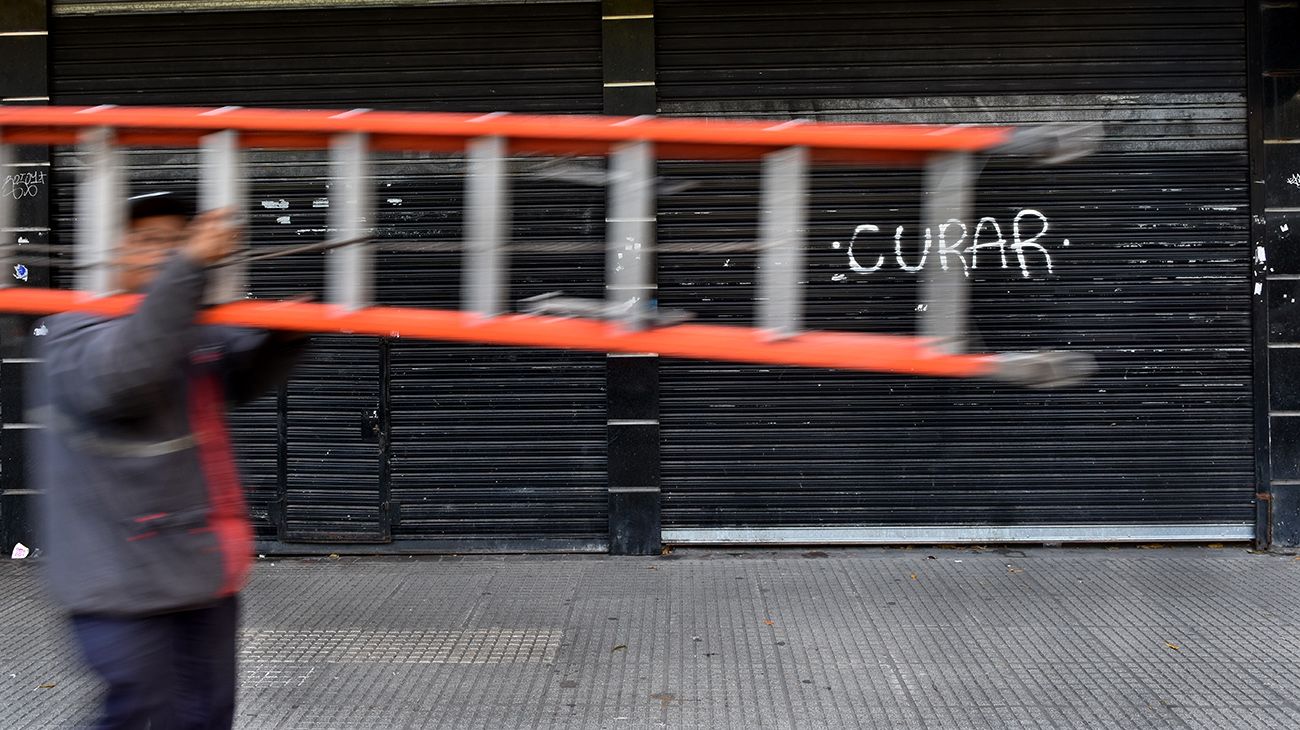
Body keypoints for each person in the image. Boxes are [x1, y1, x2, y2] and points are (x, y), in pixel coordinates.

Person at [28, 192, 308, 729]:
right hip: (116, 583)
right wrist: (188, 269)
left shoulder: (184, 326)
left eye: (177, 239)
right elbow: (122, 379)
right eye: (150, 240)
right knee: (139, 714)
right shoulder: (75, 330)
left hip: (196, 572)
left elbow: (238, 374)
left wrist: (283, 339)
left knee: (205, 715)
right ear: (114, 251)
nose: (167, 252)